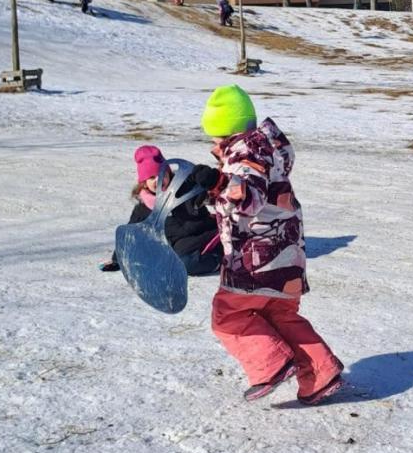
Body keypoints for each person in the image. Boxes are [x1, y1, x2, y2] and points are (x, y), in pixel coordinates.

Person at [200, 84, 343, 405]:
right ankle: (320, 373)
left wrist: (218, 183)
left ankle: (271, 364)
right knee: (281, 316)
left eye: (215, 136)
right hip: (285, 259)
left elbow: (248, 193)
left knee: (228, 316)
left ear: (227, 132)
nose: (213, 143)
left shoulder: (245, 152)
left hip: (255, 260)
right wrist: (215, 192)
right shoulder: (267, 148)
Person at [100, 144, 222, 276]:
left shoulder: (183, 189)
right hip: (179, 246)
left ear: (169, 174)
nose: (158, 180)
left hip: (206, 235)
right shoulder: (144, 208)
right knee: (173, 261)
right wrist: (117, 259)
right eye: (152, 177)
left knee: (183, 263)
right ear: (144, 182)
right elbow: (130, 235)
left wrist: (202, 174)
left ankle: (223, 261)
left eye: (162, 174)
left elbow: (198, 180)